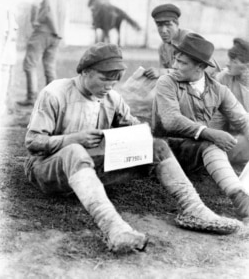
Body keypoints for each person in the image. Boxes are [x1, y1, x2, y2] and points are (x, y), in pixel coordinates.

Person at [24, 43, 241, 253]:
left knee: (157, 146)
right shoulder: (55, 93)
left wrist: (135, 132)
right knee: (74, 151)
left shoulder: (112, 97)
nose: (109, 86)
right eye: (104, 79)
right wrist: (72, 139)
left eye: (114, 80)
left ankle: (195, 209)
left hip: (90, 170)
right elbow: (33, 143)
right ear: (85, 72)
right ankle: (114, 228)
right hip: (49, 168)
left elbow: (139, 131)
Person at [152, 33, 249, 224]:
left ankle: (243, 194)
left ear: (201, 67)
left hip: (199, 152)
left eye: (182, 63)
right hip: (168, 150)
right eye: (176, 60)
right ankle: (239, 196)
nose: (175, 66)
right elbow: (171, 120)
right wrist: (209, 132)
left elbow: (242, 119)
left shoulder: (218, 89)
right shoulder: (167, 82)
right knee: (211, 144)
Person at [17, 0, 66, 106]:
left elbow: (35, 4)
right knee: (50, 66)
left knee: (30, 64)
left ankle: (31, 97)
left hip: (43, 31)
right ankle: (53, 99)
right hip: (56, 35)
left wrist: (34, 20)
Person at [144, 3, 220, 79]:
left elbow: (209, 70)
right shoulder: (163, 47)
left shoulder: (190, 39)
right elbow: (163, 74)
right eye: (159, 25)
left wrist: (162, 72)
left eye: (168, 25)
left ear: (177, 24)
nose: (163, 30)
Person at [211, 38, 249, 130]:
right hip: (232, 133)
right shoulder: (223, 78)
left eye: (234, 62)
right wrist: (214, 137)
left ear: (247, 66)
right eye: (229, 59)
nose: (227, 64)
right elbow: (218, 114)